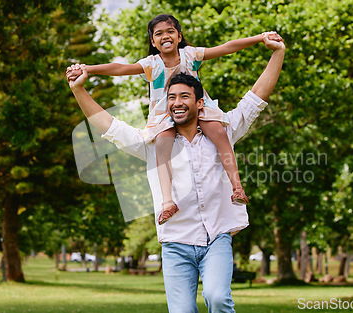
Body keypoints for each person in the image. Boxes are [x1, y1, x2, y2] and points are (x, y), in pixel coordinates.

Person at [67, 30, 285, 313]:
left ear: (199, 103)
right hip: (176, 244)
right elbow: (109, 127)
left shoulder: (223, 132)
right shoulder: (153, 144)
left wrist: (277, 52)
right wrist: (79, 90)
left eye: (184, 96)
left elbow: (256, 98)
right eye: (171, 97)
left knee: (218, 299)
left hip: (217, 238)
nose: (177, 102)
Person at [67, 14, 270, 225]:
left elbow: (226, 47)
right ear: (153, 42)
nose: (165, 36)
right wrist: (88, 69)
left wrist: (260, 37)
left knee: (219, 133)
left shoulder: (191, 55)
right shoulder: (151, 64)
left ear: (179, 36)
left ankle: (237, 187)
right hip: (164, 113)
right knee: (162, 147)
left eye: (170, 31)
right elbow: (120, 68)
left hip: (198, 106)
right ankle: (167, 202)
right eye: (159, 34)